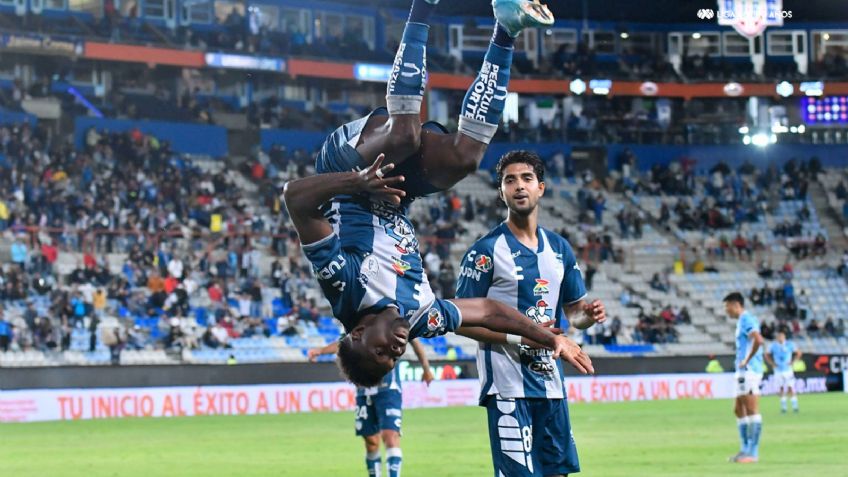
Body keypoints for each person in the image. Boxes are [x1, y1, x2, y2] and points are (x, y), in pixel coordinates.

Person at [283, 0, 588, 387]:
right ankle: (506, 28)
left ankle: (422, 8)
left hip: (345, 169)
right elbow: (489, 311)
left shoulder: (345, 287)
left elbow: (295, 198)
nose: (395, 351)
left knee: (404, 134)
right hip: (397, 190)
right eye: (394, 359)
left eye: (380, 352)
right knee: (465, 157)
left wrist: (358, 182)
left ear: (357, 334)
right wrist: (550, 337)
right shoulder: (422, 317)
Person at [455, 151, 606, 477]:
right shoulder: (485, 252)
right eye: (510, 180)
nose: (519, 186)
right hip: (508, 389)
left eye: (526, 179)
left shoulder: (559, 249)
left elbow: (574, 317)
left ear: (541, 187)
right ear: (501, 192)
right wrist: (521, 335)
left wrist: (589, 316)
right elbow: (460, 319)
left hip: (551, 386)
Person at [308, 339, 434, 477]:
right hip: (364, 390)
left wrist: (426, 368)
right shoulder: (357, 322)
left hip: (388, 389)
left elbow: (414, 341)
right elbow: (343, 343)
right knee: (371, 442)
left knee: (390, 436)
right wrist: (320, 351)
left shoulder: (393, 320)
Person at [724, 292, 765, 464]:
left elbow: (758, 339)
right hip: (741, 372)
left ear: (735, 305)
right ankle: (745, 449)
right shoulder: (742, 321)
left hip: (749, 371)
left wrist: (747, 360)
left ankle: (753, 453)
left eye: (727, 307)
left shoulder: (747, 319)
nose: (726, 311)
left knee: (751, 408)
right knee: (738, 409)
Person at [765, 331, 801, 414]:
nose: (780, 338)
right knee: (780, 388)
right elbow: (766, 355)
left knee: (790, 387)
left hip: (788, 370)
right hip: (778, 370)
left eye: (782, 337)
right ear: (777, 338)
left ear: (784, 338)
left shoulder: (789, 344)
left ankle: (795, 406)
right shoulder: (773, 345)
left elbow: (799, 353)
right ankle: (783, 407)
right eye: (779, 337)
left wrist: (793, 362)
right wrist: (772, 363)